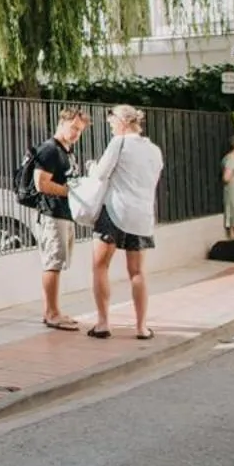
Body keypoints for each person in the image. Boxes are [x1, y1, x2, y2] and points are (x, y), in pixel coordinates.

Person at [87, 104, 165, 341]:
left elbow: (100, 174)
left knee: (100, 266)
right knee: (137, 272)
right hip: (142, 216)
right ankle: (141, 327)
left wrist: (91, 166)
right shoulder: (154, 150)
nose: (110, 126)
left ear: (122, 122)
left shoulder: (118, 144)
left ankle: (103, 323)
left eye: (112, 122)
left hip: (115, 212)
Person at [32, 107, 91, 332]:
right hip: (51, 214)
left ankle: (54, 311)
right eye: (74, 128)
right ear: (62, 123)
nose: (76, 133)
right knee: (52, 263)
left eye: (80, 130)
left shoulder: (67, 151)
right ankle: (51, 313)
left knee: (57, 263)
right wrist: (70, 192)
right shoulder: (50, 150)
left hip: (64, 214)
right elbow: (41, 183)